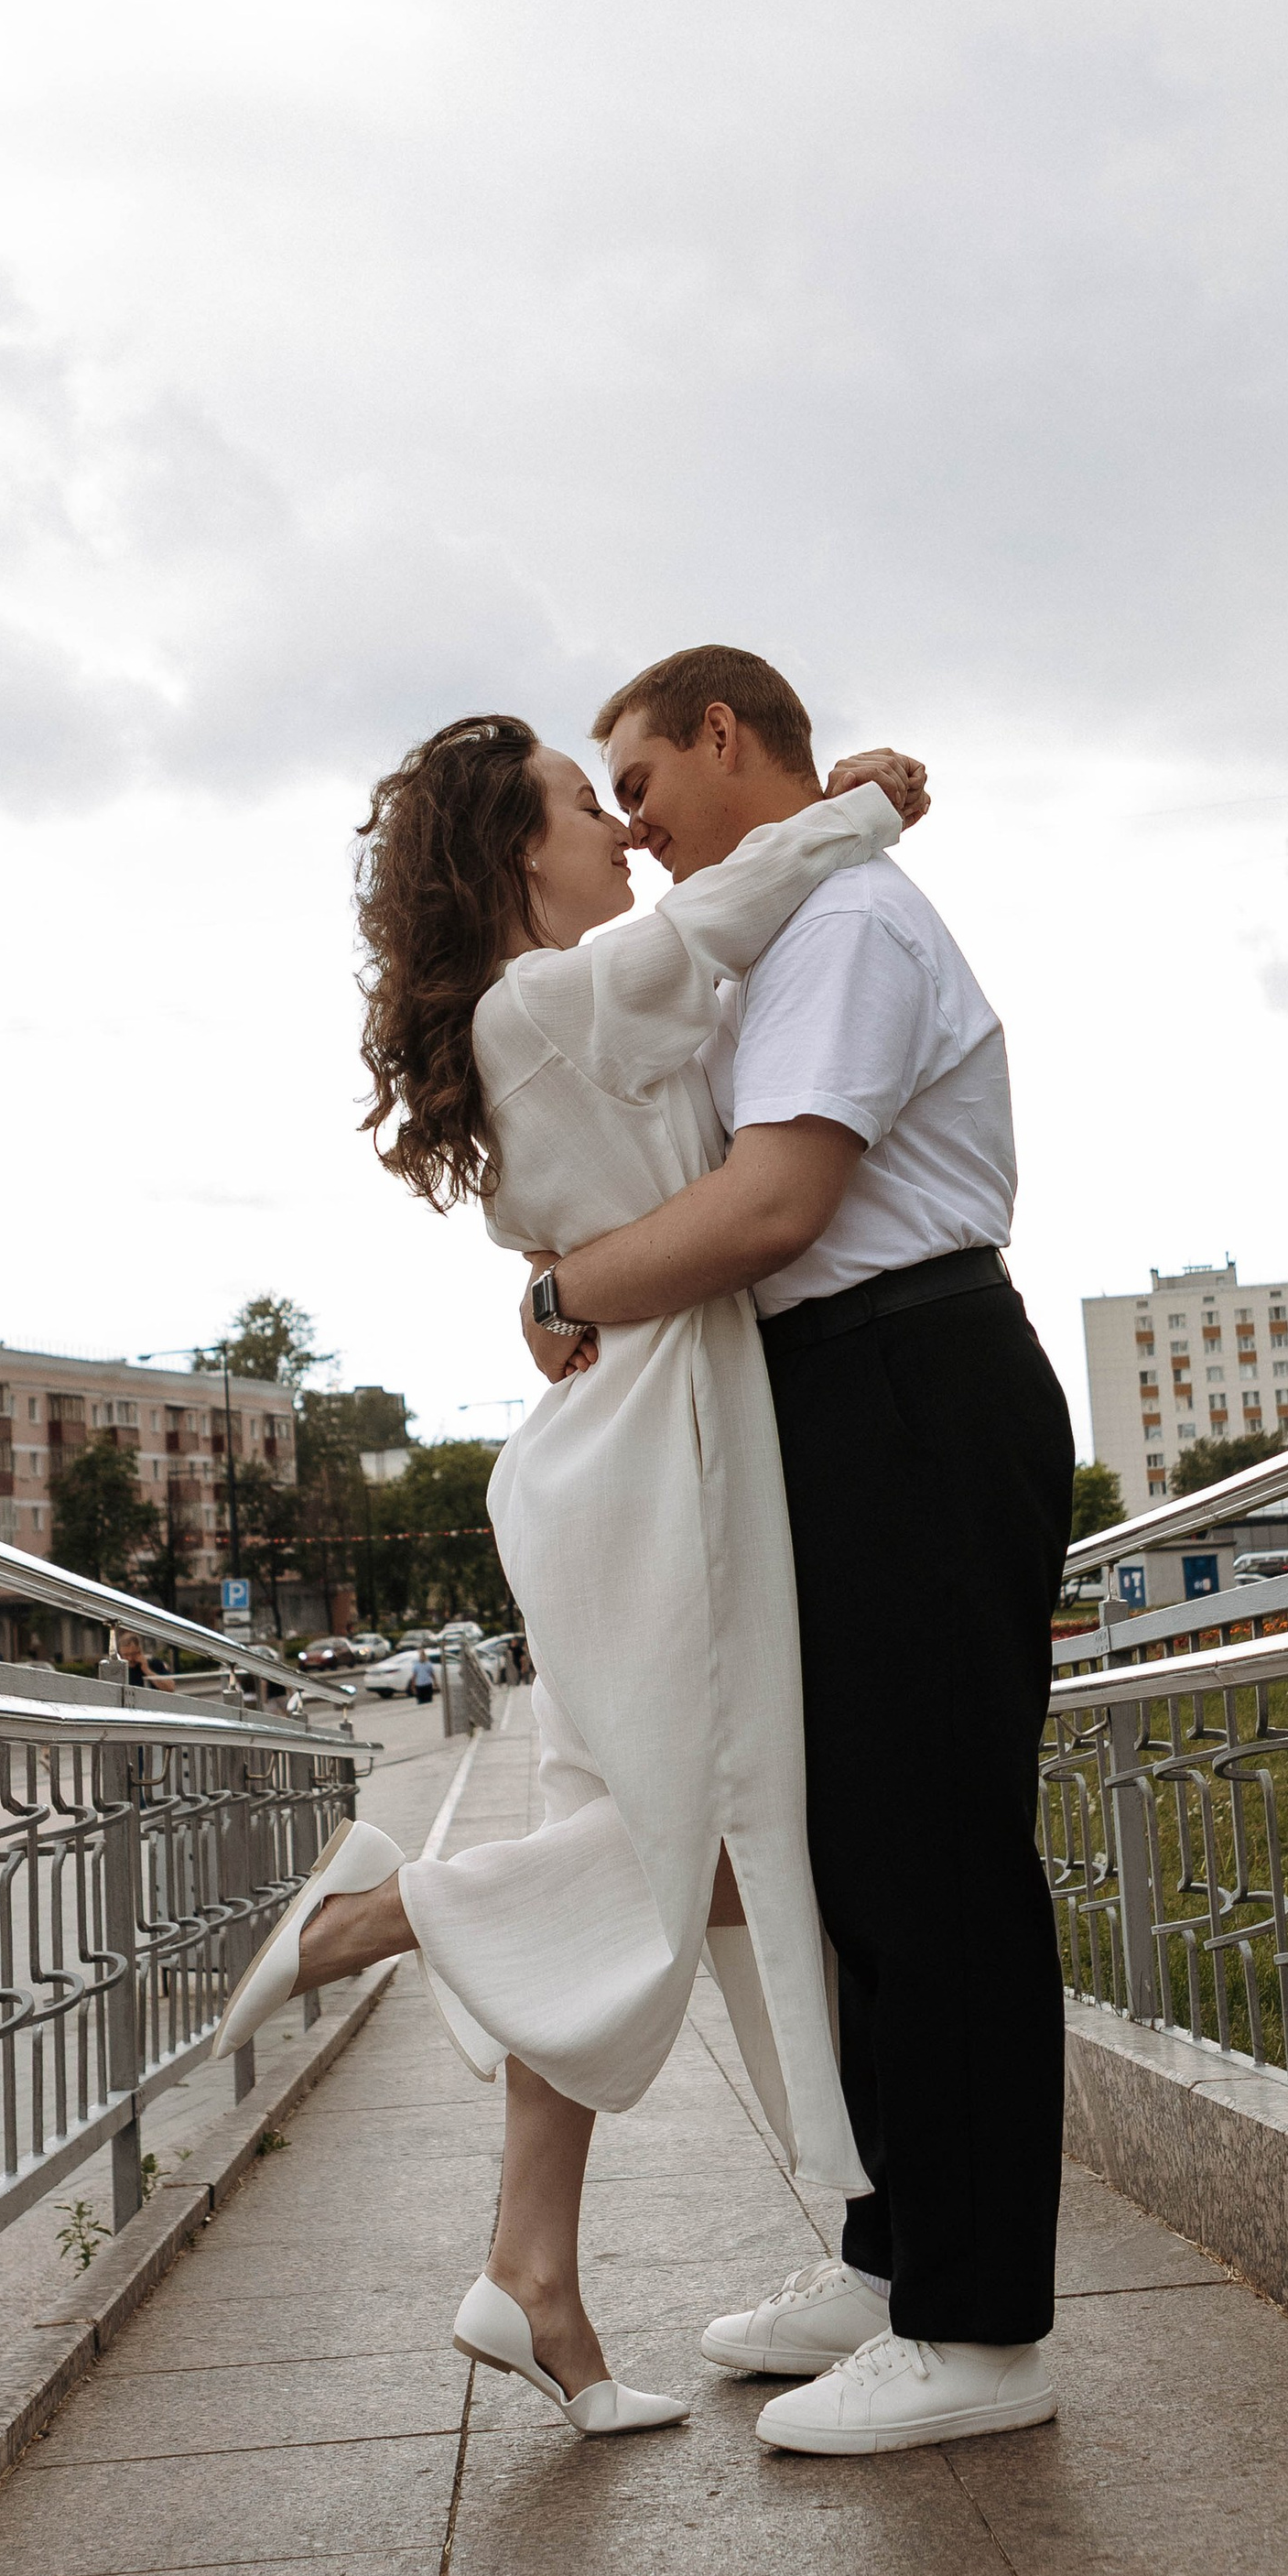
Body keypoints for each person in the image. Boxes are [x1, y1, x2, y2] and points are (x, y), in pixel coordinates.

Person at [211, 712, 923, 2440]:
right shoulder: (541, 1002)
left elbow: (679, 1047)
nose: (612, 823)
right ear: (513, 856)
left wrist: (551, 1293)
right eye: (573, 803)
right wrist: (855, 812)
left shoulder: (547, 1013)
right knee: (685, 1838)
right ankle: (377, 1916)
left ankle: (536, 2273)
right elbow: (713, 931)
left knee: (683, 1841)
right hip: (648, 1465)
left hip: (636, 1447)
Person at [523, 643, 1073, 2456]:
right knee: (854, 1862)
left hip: (908, 1379)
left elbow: (775, 1204)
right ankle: (889, 2254)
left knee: (936, 1862)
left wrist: (567, 1286)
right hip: (842, 1399)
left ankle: (979, 2334)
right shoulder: (786, 926)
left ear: (717, 732)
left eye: (639, 787)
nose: (633, 829)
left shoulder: (840, 927)